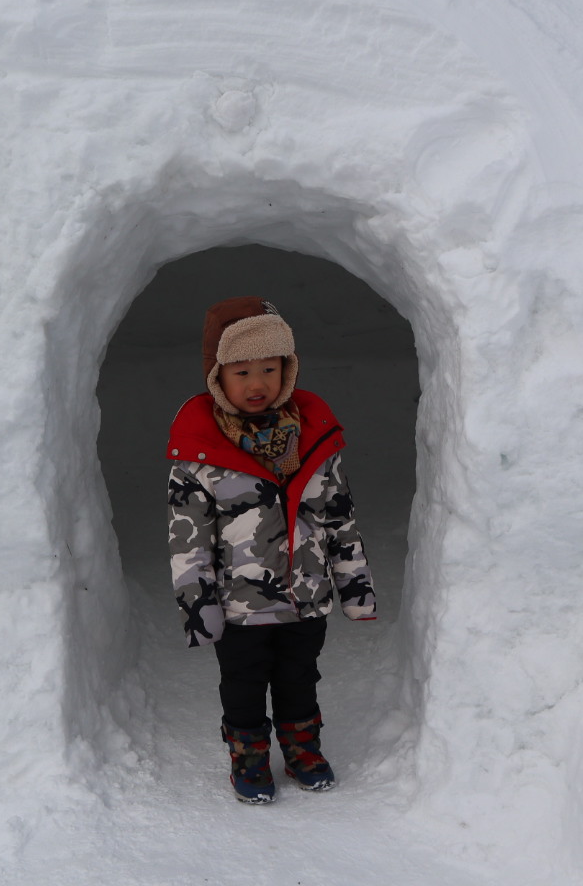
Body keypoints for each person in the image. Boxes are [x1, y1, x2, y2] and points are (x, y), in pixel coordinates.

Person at [165, 295, 376, 804]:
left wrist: (355, 585)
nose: (256, 383)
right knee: (242, 685)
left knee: (299, 678)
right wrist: (198, 603)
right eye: (241, 372)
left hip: (307, 596)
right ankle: (249, 756)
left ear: (287, 370)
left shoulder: (314, 441)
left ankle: (303, 749)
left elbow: (338, 517)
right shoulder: (201, 455)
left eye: (269, 368)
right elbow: (187, 538)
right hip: (240, 607)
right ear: (219, 378)